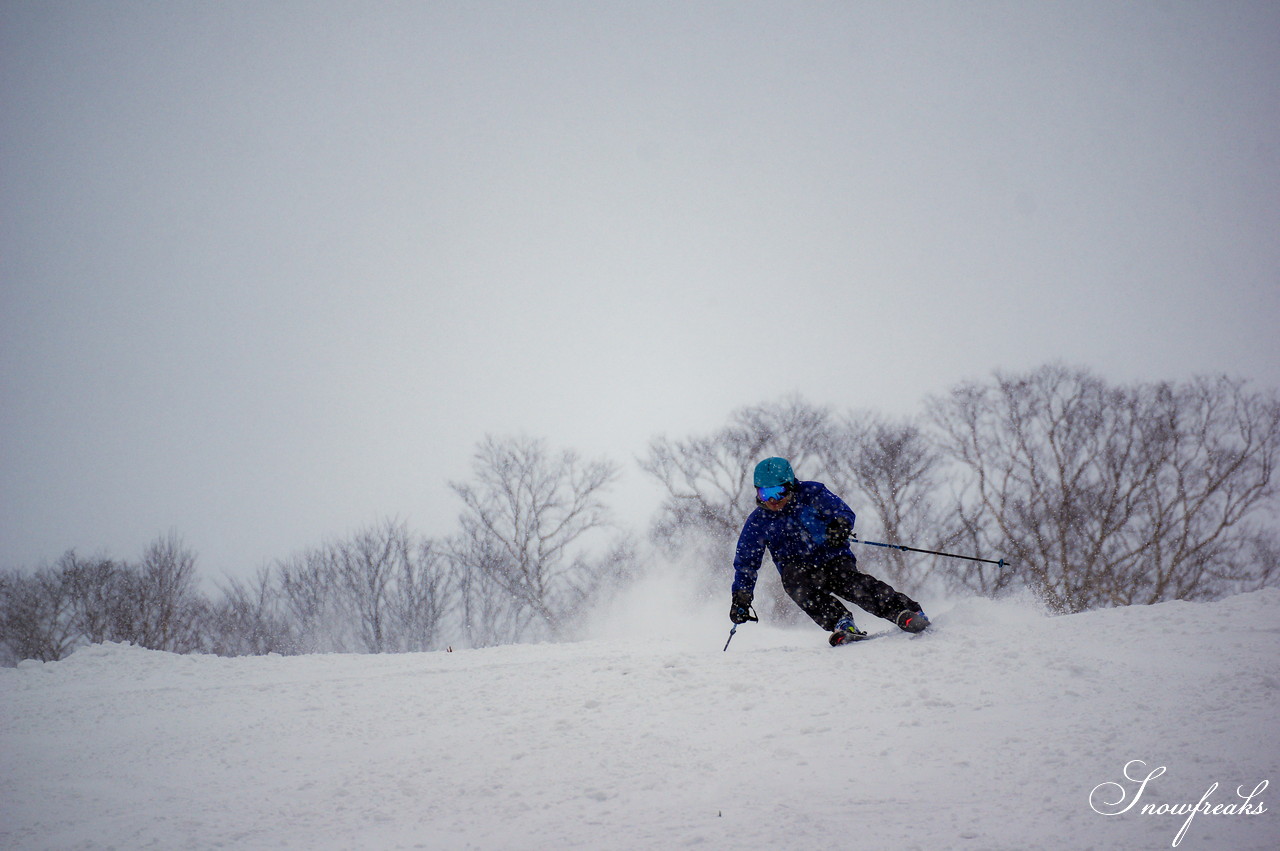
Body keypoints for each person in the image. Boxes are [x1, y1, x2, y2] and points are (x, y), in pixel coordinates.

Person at [730, 457, 930, 645]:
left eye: (778, 492)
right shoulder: (758, 521)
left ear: (790, 487)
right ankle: (841, 622)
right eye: (765, 494)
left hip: (832, 557)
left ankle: (903, 611)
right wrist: (741, 596)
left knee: (850, 583)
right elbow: (746, 562)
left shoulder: (811, 493)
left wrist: (840, 525)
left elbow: (842, 511)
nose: (772, 500)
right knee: (794, 584)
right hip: (797, 568)